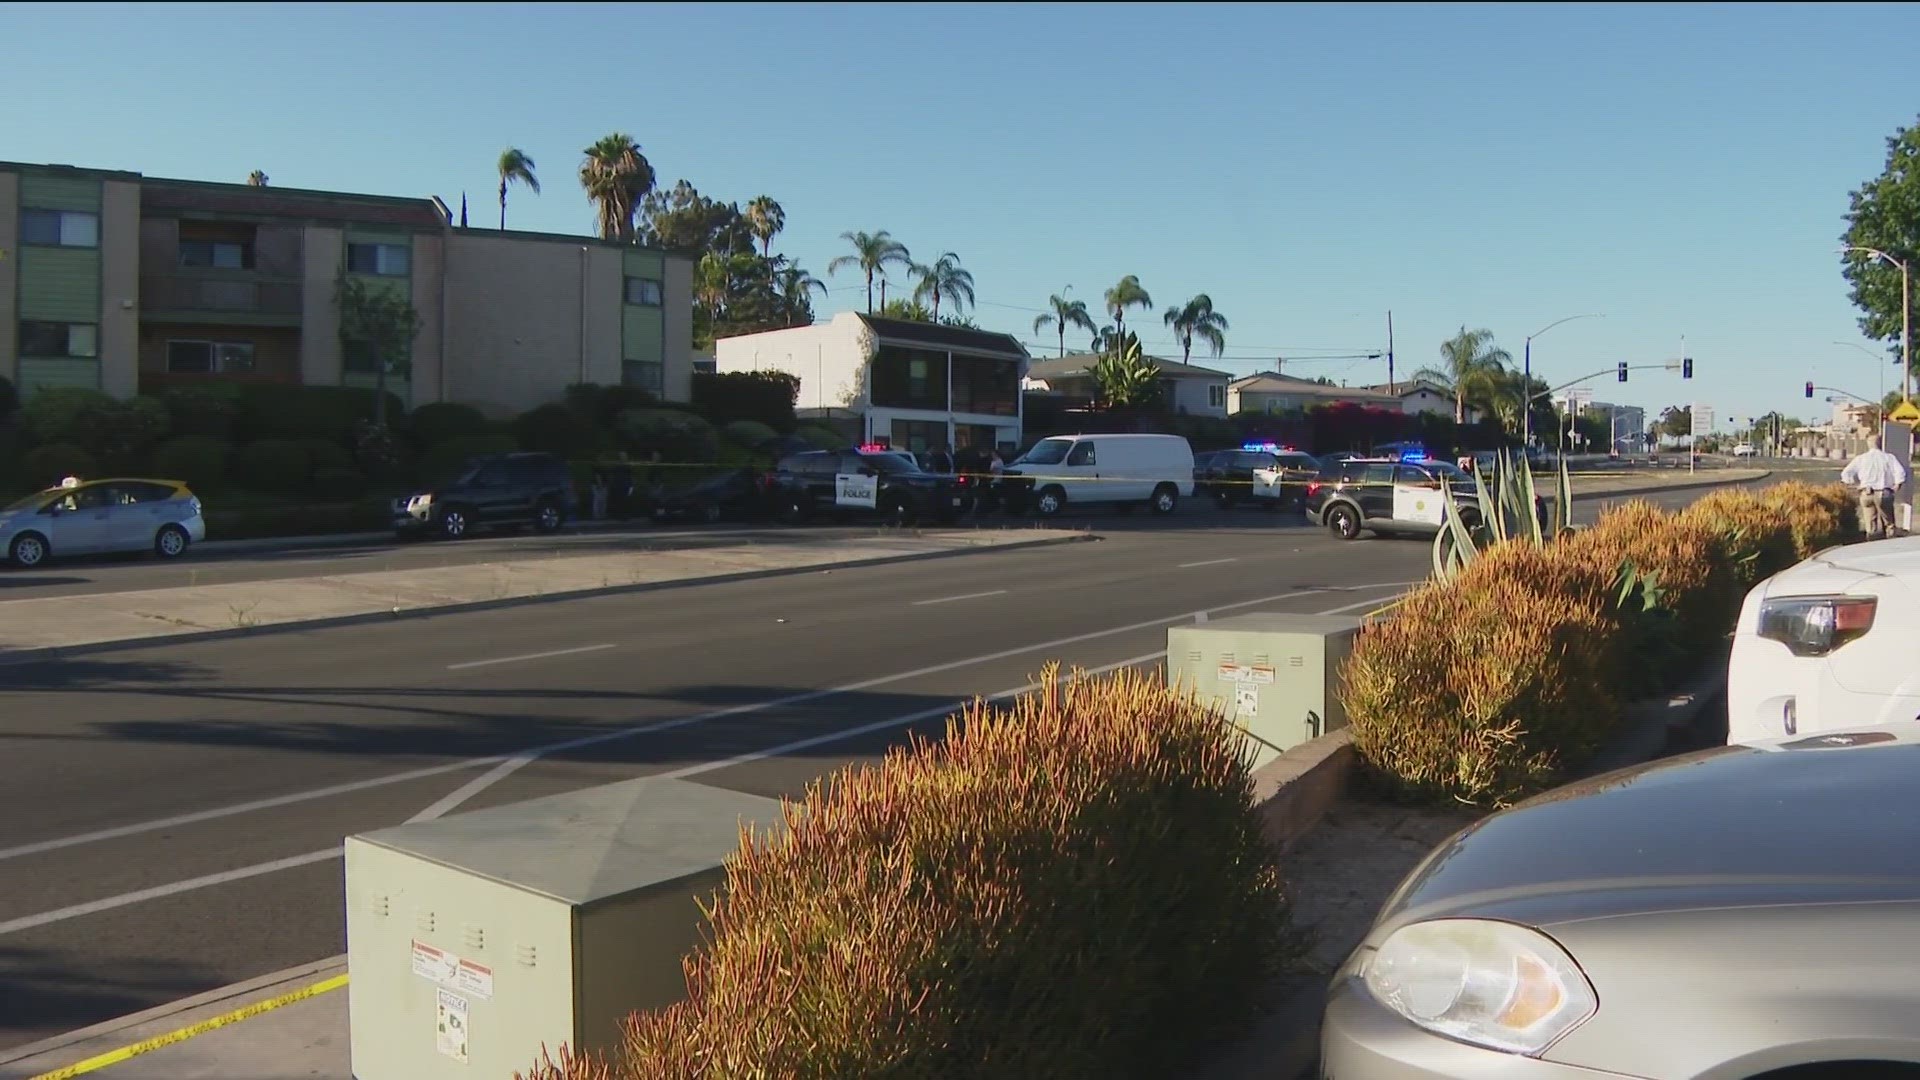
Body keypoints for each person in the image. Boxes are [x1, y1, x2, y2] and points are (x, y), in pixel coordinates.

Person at [1840, 435, 1910, 540]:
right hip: (1883, 492)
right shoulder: (1889, 457)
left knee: (1870, 525)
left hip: (1866, 493)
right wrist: (1897, 485)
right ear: (1881, 443)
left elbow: (1846, 473)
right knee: (1888, 522)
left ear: (1868, 444)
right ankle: (1890, 544)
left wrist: (1854, 485)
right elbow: (1900, 472)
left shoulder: (1861, 458)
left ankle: (1872, 543)